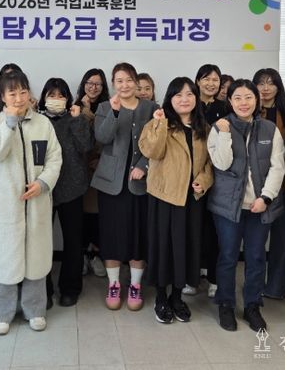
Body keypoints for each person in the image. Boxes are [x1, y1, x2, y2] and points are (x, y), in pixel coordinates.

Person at [0, 69, 62, 335]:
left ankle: (35, 310)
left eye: (23, 92)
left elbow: (54, 158)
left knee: (36, 259)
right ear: (2, 96)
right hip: (4, 204)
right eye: (12, 93)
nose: (19, 98)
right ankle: (0, 313)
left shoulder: (43, 123)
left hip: (36, 202)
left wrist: (43, 183)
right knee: (3, 258)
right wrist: (9, 123)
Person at [206, 79, 285, 332]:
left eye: (248, 97)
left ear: (256, 100)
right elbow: (221, 163)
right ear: (229, 101)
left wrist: (266, 197)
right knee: (228, 255)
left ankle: (252, 305)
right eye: (237, 98)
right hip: (228, 206)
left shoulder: (270, 129)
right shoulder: (219, 127)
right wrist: (225, 134)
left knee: (256, 256)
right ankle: (226, 304)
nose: (243, 102)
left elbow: (278, 167)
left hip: (259, 205)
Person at [139, 77, 213, 324]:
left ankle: (177, 297)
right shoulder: (158, 123)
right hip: (165, 196)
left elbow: (210, 163)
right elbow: (152, 151)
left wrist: (204, 180)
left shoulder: (204, 128)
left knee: (187, 247)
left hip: (192, 198)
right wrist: (160, 124)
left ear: (196, 98)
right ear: (170, 98)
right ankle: (161, 297)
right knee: (163, 247)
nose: (184, 99)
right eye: (178, 95)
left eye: (189, 94)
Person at [91, 62, 156, 311]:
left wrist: (144, 165)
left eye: (129, 80)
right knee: (112, 235)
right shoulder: (105, 107)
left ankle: (136, 285)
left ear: (136, 82)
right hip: (111, 184)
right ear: (113, 84)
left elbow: (158, 143)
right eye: (119, 81)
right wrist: (115, 112)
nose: (125, 85)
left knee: (139, 235)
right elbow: (102, 137)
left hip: (141, 183)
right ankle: (114, 284)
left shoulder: (151, 108)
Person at [39, 78, 94, 307]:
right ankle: (43, 290)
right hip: (43, 188)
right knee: (41, 242)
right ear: (43, 98)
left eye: (61, 95)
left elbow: (86, 146)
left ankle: (70, 288)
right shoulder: (37, 120)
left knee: (73, 240)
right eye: (51, 95)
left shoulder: (75, 118)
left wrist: (77, 119)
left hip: (72, 186)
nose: (56, 99)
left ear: (68, 99)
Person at [252, 69, 285, 301]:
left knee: (281, 237)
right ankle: (254, 284)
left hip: (283, 183)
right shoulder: (248, 110)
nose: (266, 88)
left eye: (271, 83)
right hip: (254, 185)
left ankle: (278, 286)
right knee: (256, 239)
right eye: (261, 83)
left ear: (278, 86)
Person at [190, 63, 226, 298]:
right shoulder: (189, 105)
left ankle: (214, 278)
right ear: (198, 81)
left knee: (215, 231)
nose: (211, 83)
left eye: (215, 79)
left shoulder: (225, 107)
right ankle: (191, 277)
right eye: (206, 79)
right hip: (192, 176)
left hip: (219, 177)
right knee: (192, 229)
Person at [74, 68, 110, 277]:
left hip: (100, 168)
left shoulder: (109, 107)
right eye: (89, 83)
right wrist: (85, 110)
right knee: (79, 216)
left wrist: (102, 159)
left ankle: (95, 255)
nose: (93, 87)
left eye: (98, 84)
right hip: (79, 169)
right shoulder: (75, 107)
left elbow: (104, 136)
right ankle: (82, 255)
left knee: (96, 215)